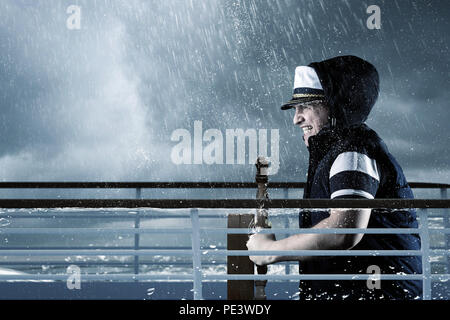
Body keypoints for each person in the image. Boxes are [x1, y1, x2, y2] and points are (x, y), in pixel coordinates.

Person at [246, 55, 422, 300]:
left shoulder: (352, 152)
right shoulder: (341, 150)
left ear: (336, 105)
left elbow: (343, 231)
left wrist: (270, 251)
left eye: (306, 106)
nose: (296, 118)